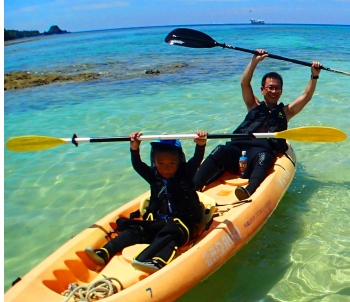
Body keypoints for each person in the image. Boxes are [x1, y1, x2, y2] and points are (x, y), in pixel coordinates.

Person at [194, 51, 320, 201]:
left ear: (281, 90)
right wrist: (254, 62)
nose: (273, 91)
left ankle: (248, 190)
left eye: (277, 88)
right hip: (238, 151)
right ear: (262, 90)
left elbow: (306, 96)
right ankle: (193, 186)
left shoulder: (286, 112)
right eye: (270, 87)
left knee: (264, 157)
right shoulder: (253, 105)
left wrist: (314, 75)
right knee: (220, 149)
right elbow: (244, 83)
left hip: (259, 154)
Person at [85, 132, 207, 273]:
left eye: (172, 163)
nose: (166, 168)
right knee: (135, 229)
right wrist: (134, 148)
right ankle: (104, 253)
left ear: (179, 161)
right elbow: (138, 165)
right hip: (158, 224)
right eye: (160, 163)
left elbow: (196, 160)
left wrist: (200, 145)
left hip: (183, 226)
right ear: (154, 161)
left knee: (171, 234)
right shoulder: (153, 176)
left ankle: (153, 260)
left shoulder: (185, 174)